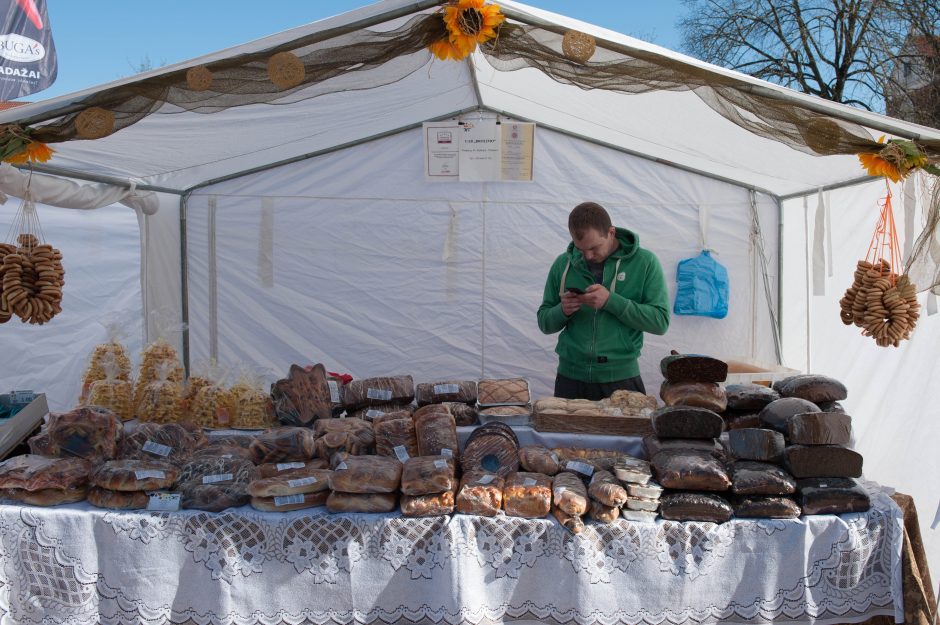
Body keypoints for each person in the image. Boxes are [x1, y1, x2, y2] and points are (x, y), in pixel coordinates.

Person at [537, 201, 669, 400]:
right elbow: (544, 323)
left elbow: (660, 322)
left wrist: (611, 301)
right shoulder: (562, 264)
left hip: (622, 379)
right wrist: (561, 310)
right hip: (569, 379)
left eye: (594, 247)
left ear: (611, 233)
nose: (588, 256)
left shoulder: (646, 262)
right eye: (581, 249)